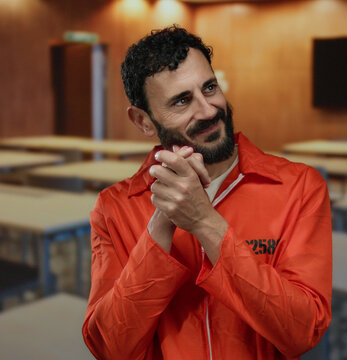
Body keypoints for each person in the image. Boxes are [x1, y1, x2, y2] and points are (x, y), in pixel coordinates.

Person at [82, 25, 332, 360]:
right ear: (143, 121)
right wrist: (161, 226)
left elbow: (303, 331)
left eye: (209, 87)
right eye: (182, 100)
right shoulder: (113, 208)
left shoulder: (299, 187)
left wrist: (204, 222)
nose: (209, 109)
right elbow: (110, 348)